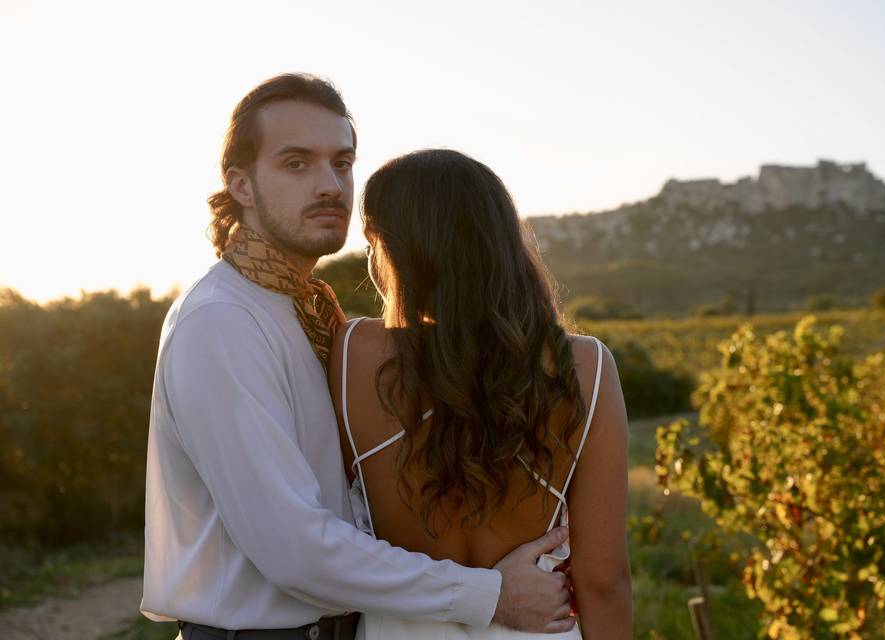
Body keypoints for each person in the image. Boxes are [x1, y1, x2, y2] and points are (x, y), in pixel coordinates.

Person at [141, 73, 575, 640]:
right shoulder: (222, 322)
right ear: (240, 185)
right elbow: (295, 549)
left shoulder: (308, 313)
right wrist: (489, 596)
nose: (330, 185)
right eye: (297, 164)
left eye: (341, 163)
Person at [329, 149, 633, 639]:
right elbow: (604, 581)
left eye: (373, 243)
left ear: (399, 249)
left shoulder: (353, 355)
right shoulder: (585, 366)